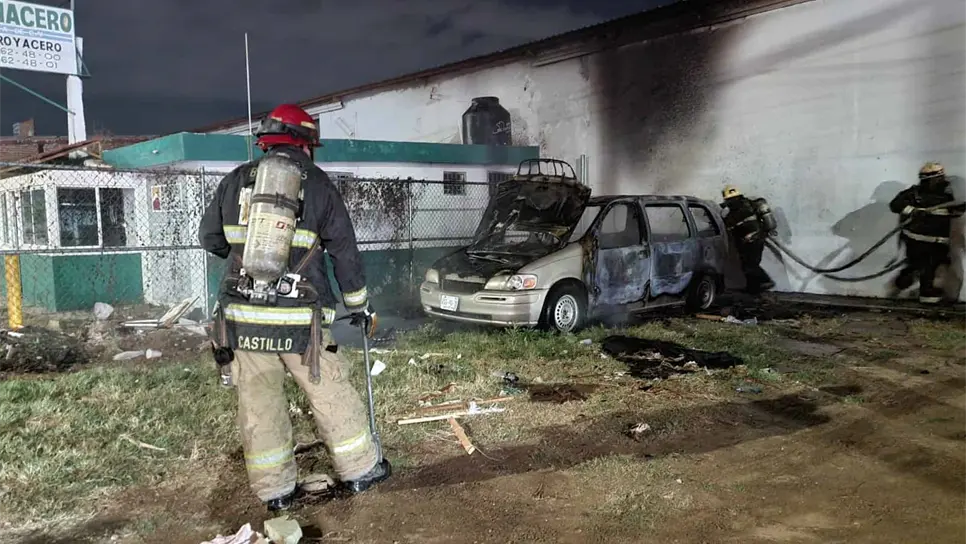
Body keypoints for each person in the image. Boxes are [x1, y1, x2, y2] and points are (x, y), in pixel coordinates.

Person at [199, 103, 390, 512]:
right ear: (305, 144)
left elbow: (210, 239)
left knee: (259, 403)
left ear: (266, 143)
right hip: (302, 324)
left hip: (243, 319)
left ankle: (276, 491)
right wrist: (359, 305)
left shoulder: (234, 181)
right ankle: (360, 470)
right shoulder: (318, 184)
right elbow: (345, 254)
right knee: (330, 392)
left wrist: (244, 259)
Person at [887, 162, 966, 304]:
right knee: (924, 267)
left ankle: (927, 294)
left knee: (937, 267)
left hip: (940, 242)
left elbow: (959, 208)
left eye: (938, 178)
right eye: (930, 179)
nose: (935, 182)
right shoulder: (914, 194)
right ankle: (925, 295)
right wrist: (913, 211)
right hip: (917, 241)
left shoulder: (951, 194)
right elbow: (895, 205)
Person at [720, 185, 776, 294]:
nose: (729, 202)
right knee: (747, 265)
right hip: (752, 240)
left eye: (729, 200)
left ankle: (766, 281)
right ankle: (752, 289)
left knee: (750, 265)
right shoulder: (748, 205)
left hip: (753, 240)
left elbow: (733, 226)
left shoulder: (735, 212)